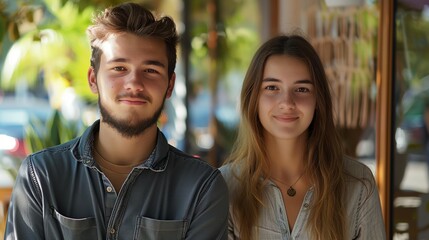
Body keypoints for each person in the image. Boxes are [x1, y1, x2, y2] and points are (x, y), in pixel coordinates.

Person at [5, 3, 228, 240]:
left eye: (151, 70)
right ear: (93, 79)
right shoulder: (42, 176)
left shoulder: (201, 187)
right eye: (119, 68)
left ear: (170, 85)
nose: (134, 83)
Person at [220, 34, 386, 239]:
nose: (287, 102)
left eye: (302, 89)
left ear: (318, 100)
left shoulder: (358, 184)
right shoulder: (224, 186)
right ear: (252, 98)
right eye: (272, 87)